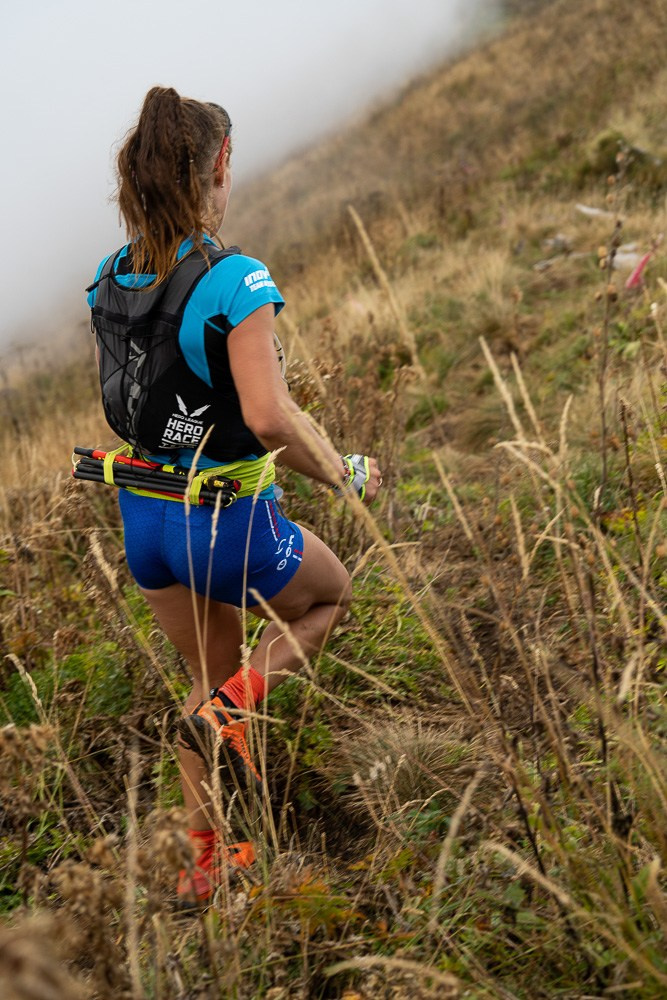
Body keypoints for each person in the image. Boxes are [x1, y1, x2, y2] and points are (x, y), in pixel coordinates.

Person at [85, 86, 382, 906]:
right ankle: (233, 717)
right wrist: (347, 475)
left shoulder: (112, 276)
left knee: (204, 683)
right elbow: (268, 415)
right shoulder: (234, 277)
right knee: (326, 603)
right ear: (217, 165)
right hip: (222, 520)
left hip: (144, 514)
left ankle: (212, 859)